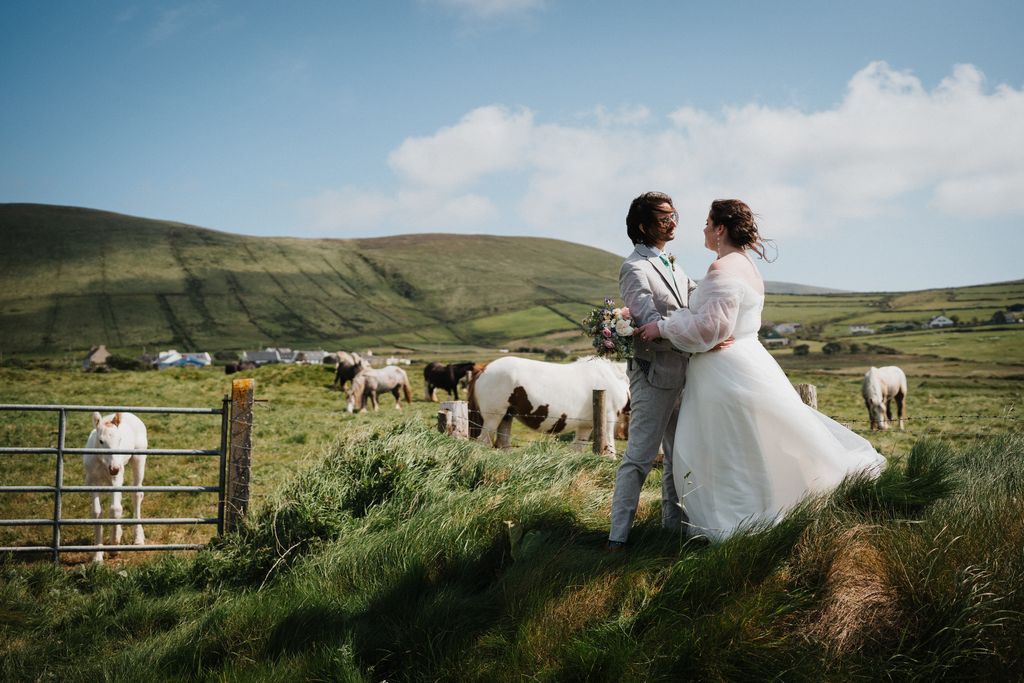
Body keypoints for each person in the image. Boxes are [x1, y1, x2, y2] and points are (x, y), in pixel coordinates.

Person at [637, 199, 886, 542]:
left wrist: (662, 328)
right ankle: (769, 509)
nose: (704, 230)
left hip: (724, 373)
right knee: (755, 445)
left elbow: (710, 330)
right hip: (751, 362)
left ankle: (741, 525)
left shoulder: (722, 269)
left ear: (721, 228)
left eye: (708, 223)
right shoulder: (749, 268)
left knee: (727, 451)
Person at [606, 191, 697, 551]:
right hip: (654, 375)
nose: (672, 222)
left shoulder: (672, 262)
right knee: (639, 458)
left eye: (675, 215)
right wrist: (693, 334)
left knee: (679, 456)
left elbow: (695, 302)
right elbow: (648, 320)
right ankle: (617, 538)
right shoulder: (634, 267)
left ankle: (672, 530)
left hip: (687, 374)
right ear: (644, 226)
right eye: (664, 218)